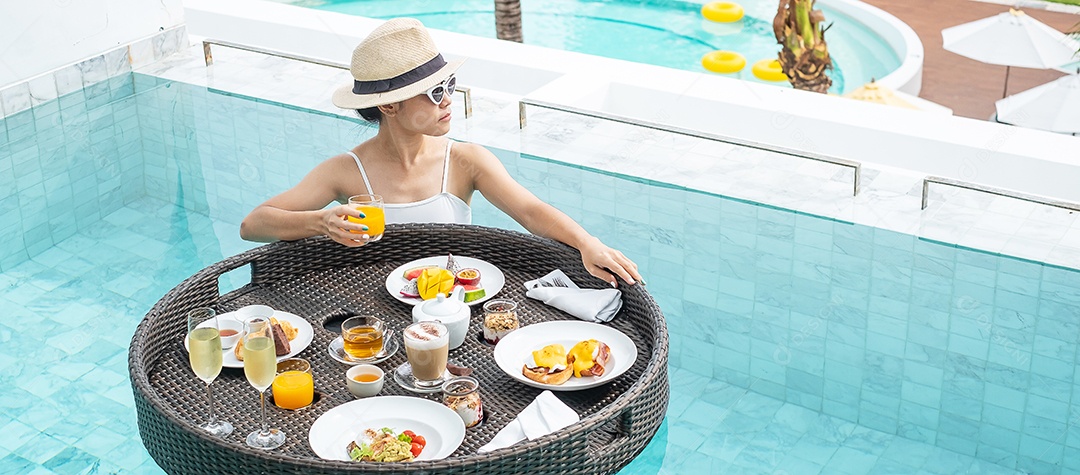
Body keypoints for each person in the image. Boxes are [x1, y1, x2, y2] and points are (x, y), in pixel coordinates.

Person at [240, 18, 642, 287]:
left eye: (449, 84)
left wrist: (587, 242)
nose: (448, 100)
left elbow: (531, 211)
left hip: (453, 304)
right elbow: (253, 224)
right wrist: (322, 222)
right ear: (390, 105)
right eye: (434, 92)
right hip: (374, 311)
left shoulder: (465, 161)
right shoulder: (345, 171)